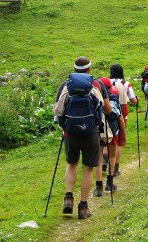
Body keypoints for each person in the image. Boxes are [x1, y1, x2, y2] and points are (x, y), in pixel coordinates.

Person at [53, 56, 112, 219]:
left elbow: (58, 110)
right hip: (90, 132)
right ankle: (83, 207)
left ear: (74, 69)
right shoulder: (97, 84)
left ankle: (68, 199)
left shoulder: (65, 85)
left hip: (70, 133)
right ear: (89, 69)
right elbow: (107, 110)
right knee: (88, 168)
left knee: (71, 164)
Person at [96, 77, 125, 194]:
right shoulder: (113, 99)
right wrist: (124, 133)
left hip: (98, 131)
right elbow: (120, 118)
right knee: (112, 157)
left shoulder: (94, 99)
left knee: (98, 159)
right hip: (112, 132)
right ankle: (109, 182)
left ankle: (98, 187)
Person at [109, 64, 138, 177]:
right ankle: (115, 167)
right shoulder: (125, 84)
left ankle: (106, 162)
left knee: (108, 137)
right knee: (118, 142)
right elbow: (133, 101)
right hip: (121, 112)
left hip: (108, 112)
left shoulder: (106, 83)